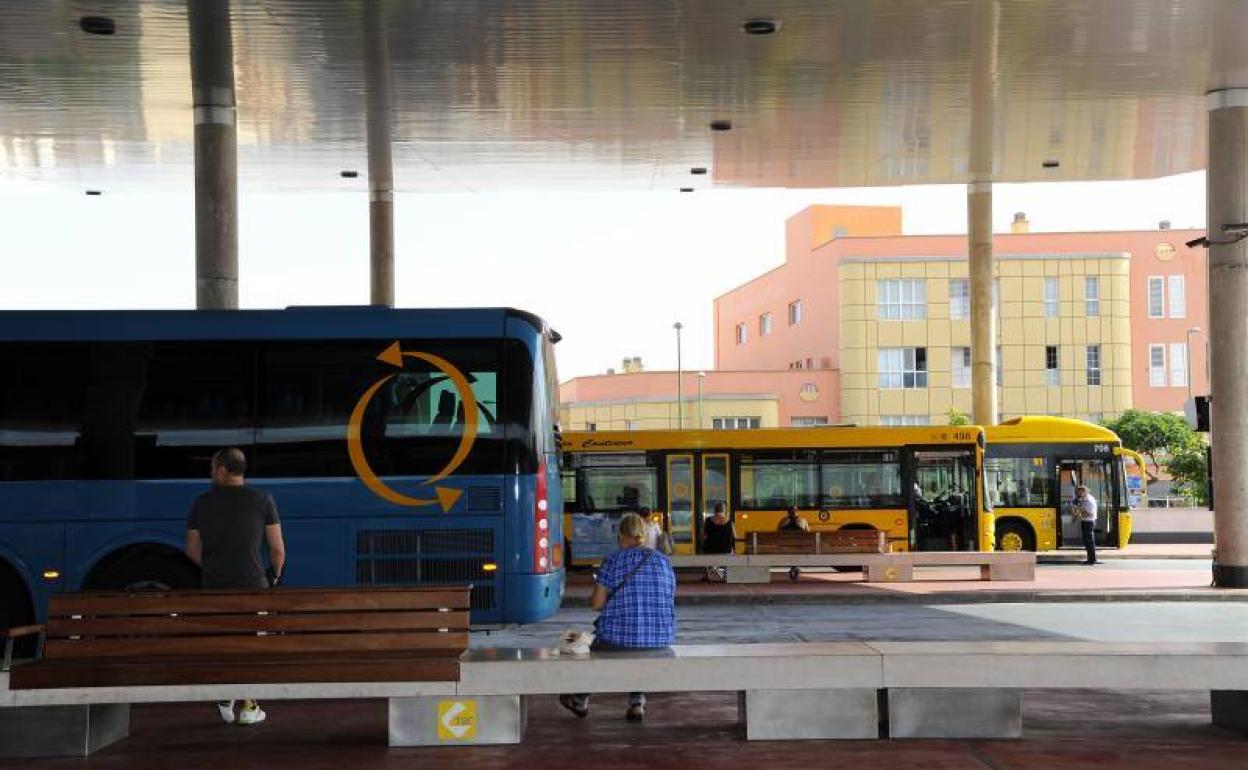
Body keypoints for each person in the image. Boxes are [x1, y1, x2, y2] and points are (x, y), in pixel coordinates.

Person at [186, 448, 286, 726]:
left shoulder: (201, 503)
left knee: (222, 643)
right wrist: (273, 577)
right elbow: (277, 551)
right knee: (251, 646)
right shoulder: (263, 499)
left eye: (211, 468)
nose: (210, 473)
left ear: (221, 470)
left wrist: (214, 568)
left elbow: (192, 550)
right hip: (254, 587)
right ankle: (249, 705)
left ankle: (225, 695)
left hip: (215, 586)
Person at [560, 512, 675, 722]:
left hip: (618, 641)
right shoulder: (663, 561)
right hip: (660, 640)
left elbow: (597, 604)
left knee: (591, 647)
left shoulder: (613, 560)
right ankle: (637, 703)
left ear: (622, 535)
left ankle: (579, 697)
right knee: (636, 642)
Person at [701, 502, 736, 582]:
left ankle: (707, 575)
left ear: (715, 510)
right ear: (724, 510)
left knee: (704, 548)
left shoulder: (708, 521)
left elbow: (703, 537)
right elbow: (735, 536)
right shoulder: (730, 522)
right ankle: (727, 575)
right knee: (731, 550)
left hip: (710, 550)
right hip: (726, 551)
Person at [1073, 484, 1099, 565]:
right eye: (1078, 492)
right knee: (1086, 541)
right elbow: (1081, 511)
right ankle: (1090, 558)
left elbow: (1089, 514)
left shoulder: (1089, 500)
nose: (1079, 494)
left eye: (1080, 492)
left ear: (1085, 491)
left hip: (1089, 522)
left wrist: (1080, 511)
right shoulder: (1083, 500)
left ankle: (1092, 560)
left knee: (1089, 542)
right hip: (1085, 522)